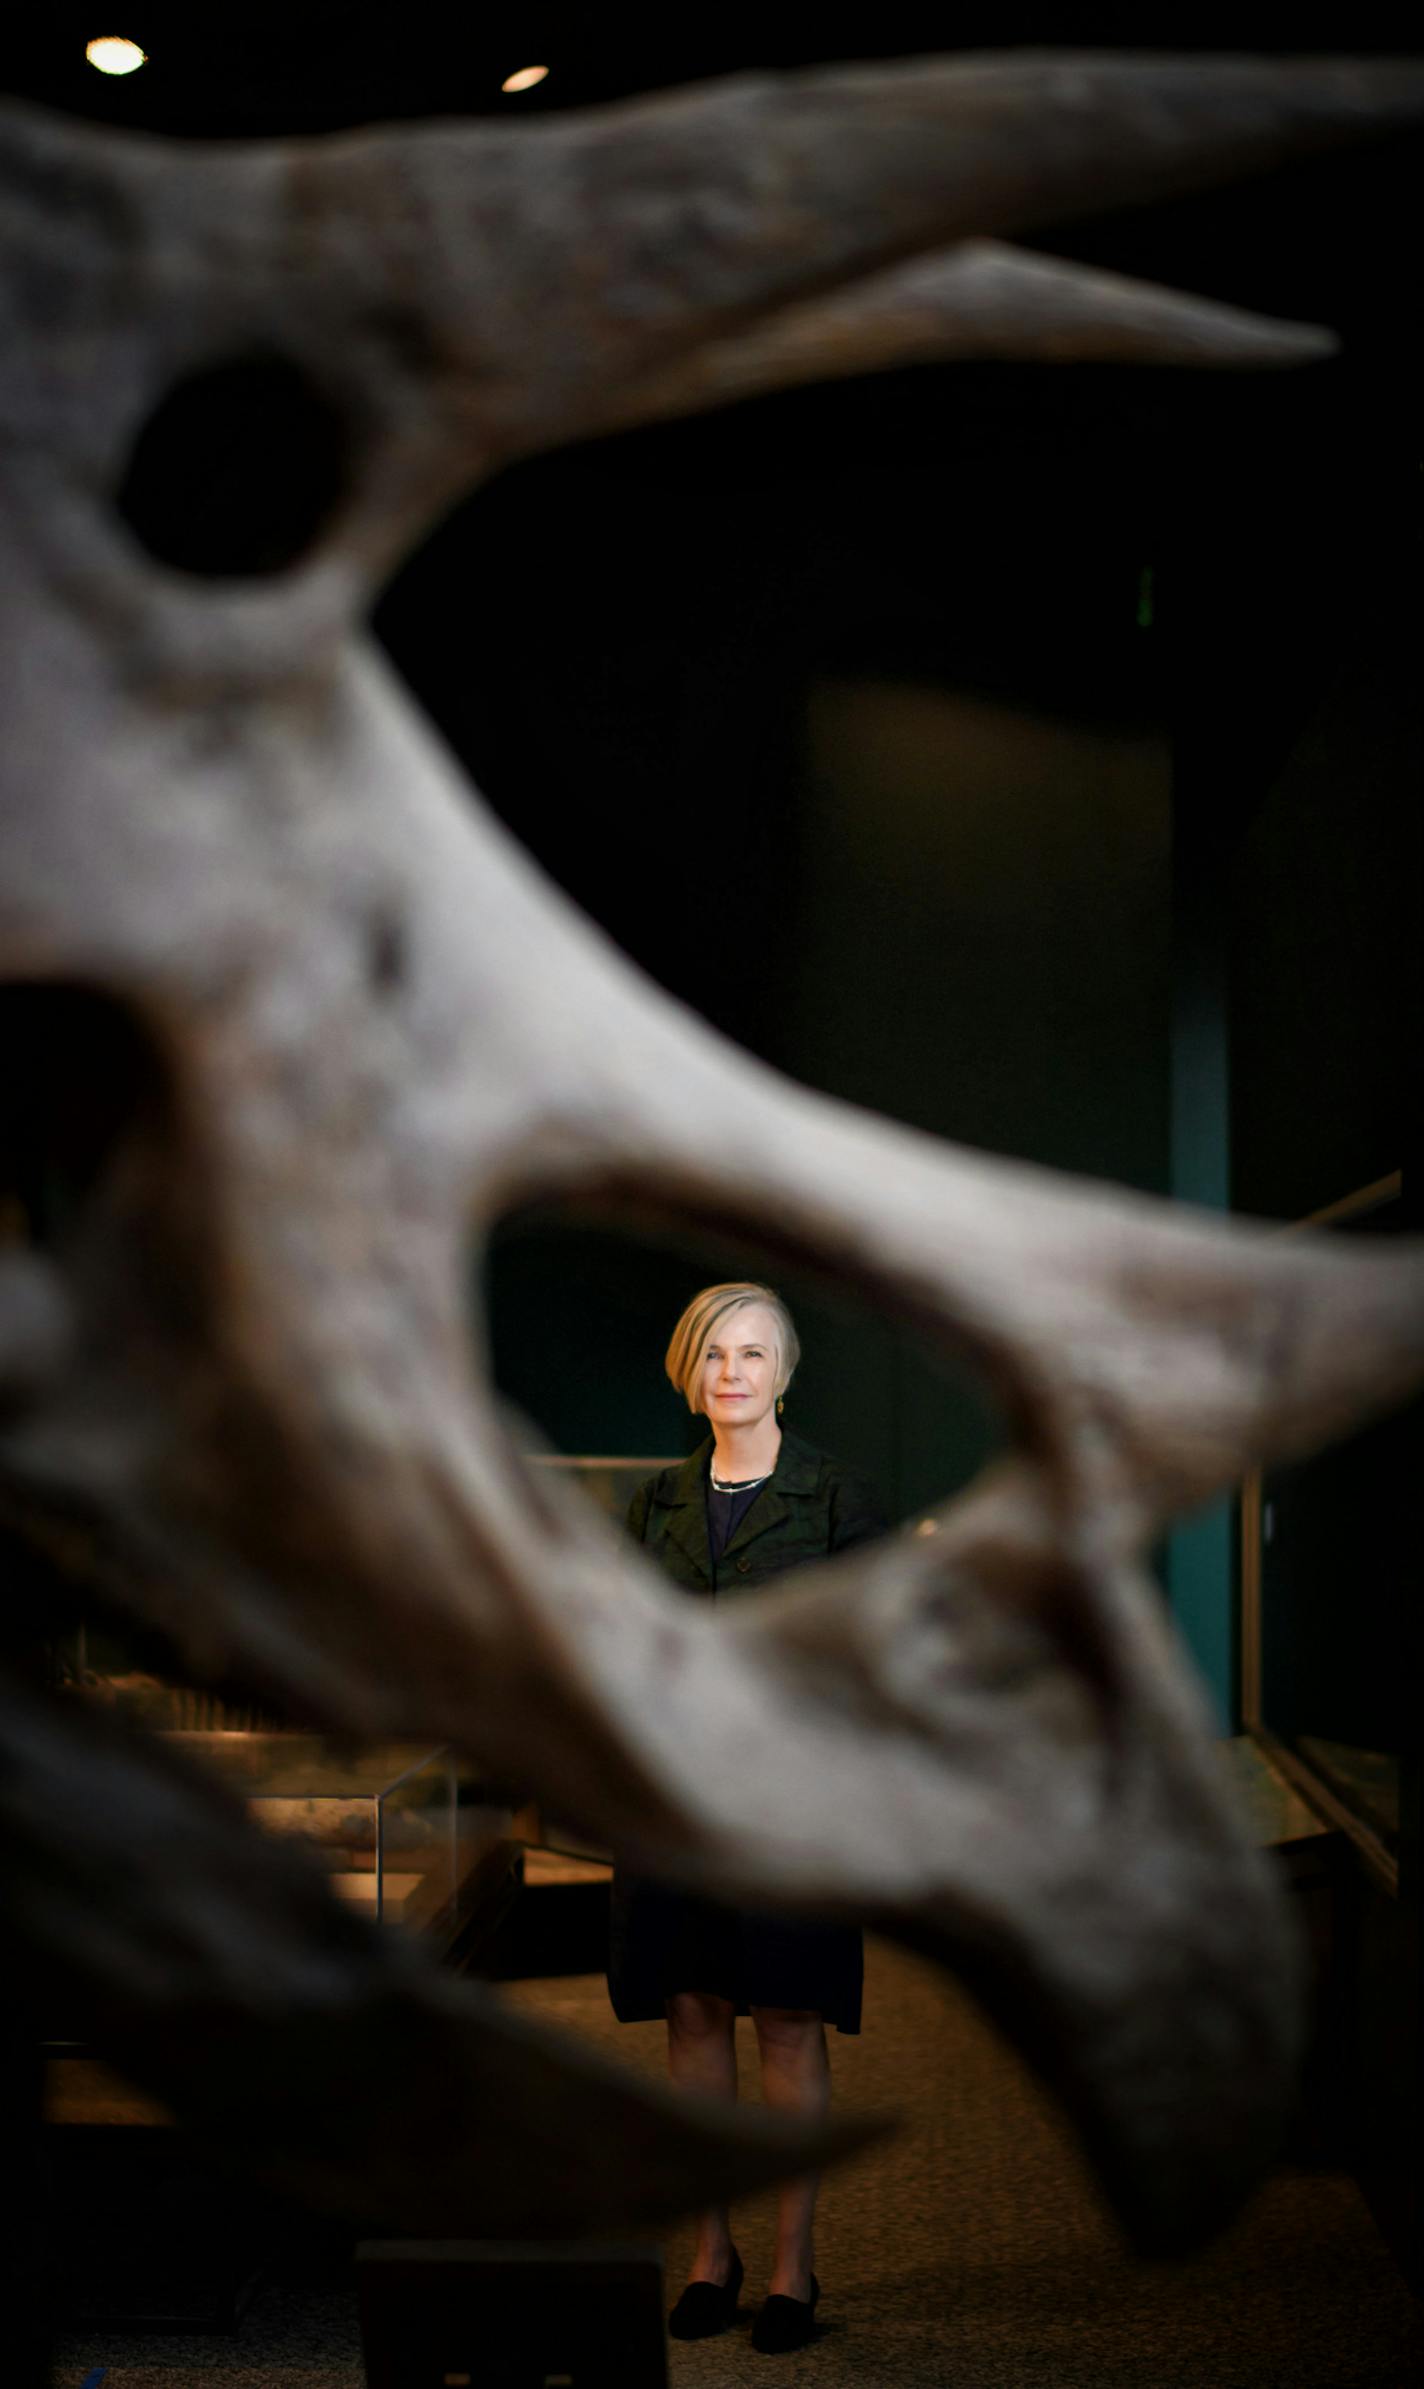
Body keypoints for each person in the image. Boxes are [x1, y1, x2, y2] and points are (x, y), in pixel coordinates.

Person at [608, 1281, 885, 2356]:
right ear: (690, 1373)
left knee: (785, 2020)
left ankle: (789, 2267)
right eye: (714, 1354)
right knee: (689, 2013)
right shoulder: (652, 1506)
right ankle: (710, 2254)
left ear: (782, 1371)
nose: (732, 1372)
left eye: (753, 1354)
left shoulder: (833, 1499)